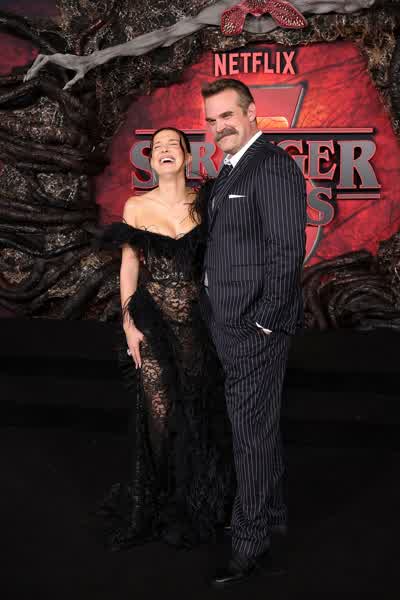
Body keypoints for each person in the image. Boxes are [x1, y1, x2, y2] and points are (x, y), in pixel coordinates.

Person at [99, 127, 234, 550]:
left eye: (172, 145)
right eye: (157, 147)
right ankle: (155, 503)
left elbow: (221, 262)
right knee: (158, 412)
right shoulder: (137, 206)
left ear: (188, 157)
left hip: (196, 322)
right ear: (151, 161)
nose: (164, 150)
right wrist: (128, 324)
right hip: (151, 320)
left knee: (196, 410)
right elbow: (129, 266)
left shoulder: (205, 203)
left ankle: (193, 502)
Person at [200, 78, 307, 588]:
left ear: (251, 113)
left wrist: (264, 321)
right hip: (227, 321)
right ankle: (274, 513)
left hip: (254, 327)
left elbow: (287, 252)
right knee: (257, 428)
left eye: (227, 115)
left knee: (250, 436)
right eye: (211, 120)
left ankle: (249, 543)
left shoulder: (272, 166)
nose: (219, 126)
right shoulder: (229, 169)